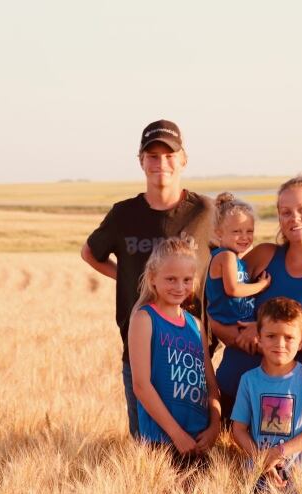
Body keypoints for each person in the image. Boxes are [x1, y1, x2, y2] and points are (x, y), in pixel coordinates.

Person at [81, 119, 214, 438]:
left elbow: (230, 258)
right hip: (141, 348)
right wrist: (131, 280)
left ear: (183, 159)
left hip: (193, 350)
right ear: (141, 161)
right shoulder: (123, 214)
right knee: (148, 442)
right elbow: (90, 253)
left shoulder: (205, 211)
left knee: (195, 445)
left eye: (169, 155)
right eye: (152, 156)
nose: (161, 163)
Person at [211, 173, 302, 420]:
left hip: (287, 406)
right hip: (231, 392)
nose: (294, 218)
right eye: (285, 212)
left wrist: (261, 331)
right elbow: (217, 309)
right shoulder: (262, 255)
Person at [128, 237, 221, 462]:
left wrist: (215, 427)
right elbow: (141, 385)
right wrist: (176, 434)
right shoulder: (145, 318)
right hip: (162, 440)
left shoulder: (196, 325)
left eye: (187, 280)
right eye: (171, 279)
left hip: (199, 438)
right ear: (153, 278)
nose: (180, 287)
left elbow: (210, 383)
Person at [231, 297, 302, 490]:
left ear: (301, 342)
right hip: (260, 475)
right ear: (258, 338)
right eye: (271, 336)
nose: (280, 344)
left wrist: (280, 451)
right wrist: (262, 459)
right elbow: (239, 430)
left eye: (289, 337)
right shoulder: (249, 381)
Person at [205, 192, 271, 327]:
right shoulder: (226, 256)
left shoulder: (234, 257)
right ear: (219, 233)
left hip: (242, 321)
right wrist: (262, 285)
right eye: (236, 231)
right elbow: (233, 290)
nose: (244, 237)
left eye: (249, 231)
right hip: (232, 324)